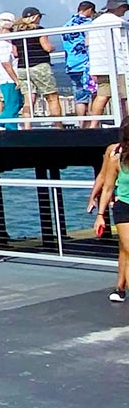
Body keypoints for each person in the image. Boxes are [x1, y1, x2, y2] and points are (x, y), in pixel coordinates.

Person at [93, 117, 129, 302]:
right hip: (124, 208)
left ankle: (120, 287)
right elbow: (107, 188)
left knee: (126, 251)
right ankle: (121, 288)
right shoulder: (116, 157)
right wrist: (100, 215)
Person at [16, 7, 61, 127]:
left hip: (22, 67)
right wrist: (53, 47)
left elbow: (15, 53)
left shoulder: (16, 33)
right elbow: (47, 47)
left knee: (28, 100)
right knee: (51, 97)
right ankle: (58, 126)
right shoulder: (38, 30)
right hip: (39, 66)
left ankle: (27, 127)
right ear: (36, 17)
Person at [88, 0, 129, 126]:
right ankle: (125, 125)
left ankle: (93, 125)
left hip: (100, 65)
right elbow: (122, 43)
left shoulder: (95, 23)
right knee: (125, 96)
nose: (125, 11)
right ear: (120, 7)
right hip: (119, 64)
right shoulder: (119, 22)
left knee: (102, 96)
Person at [62, 0, 97, 127]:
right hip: (86, 64)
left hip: (71, 65)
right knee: (94, 94)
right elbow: (89, 43)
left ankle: (82, 125)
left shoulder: (67, 25)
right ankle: (93, 124)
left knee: (80, 97)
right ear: (90, 10)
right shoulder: (88, 24)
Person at [0, 22, 22, 130]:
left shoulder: (8, 43)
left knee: (17, 102)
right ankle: (7, 125)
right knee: (13, 103)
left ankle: (5, 123)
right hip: (7, 79)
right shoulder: (1, 43)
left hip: (9, 78)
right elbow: (6, 64)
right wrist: (16, 79)